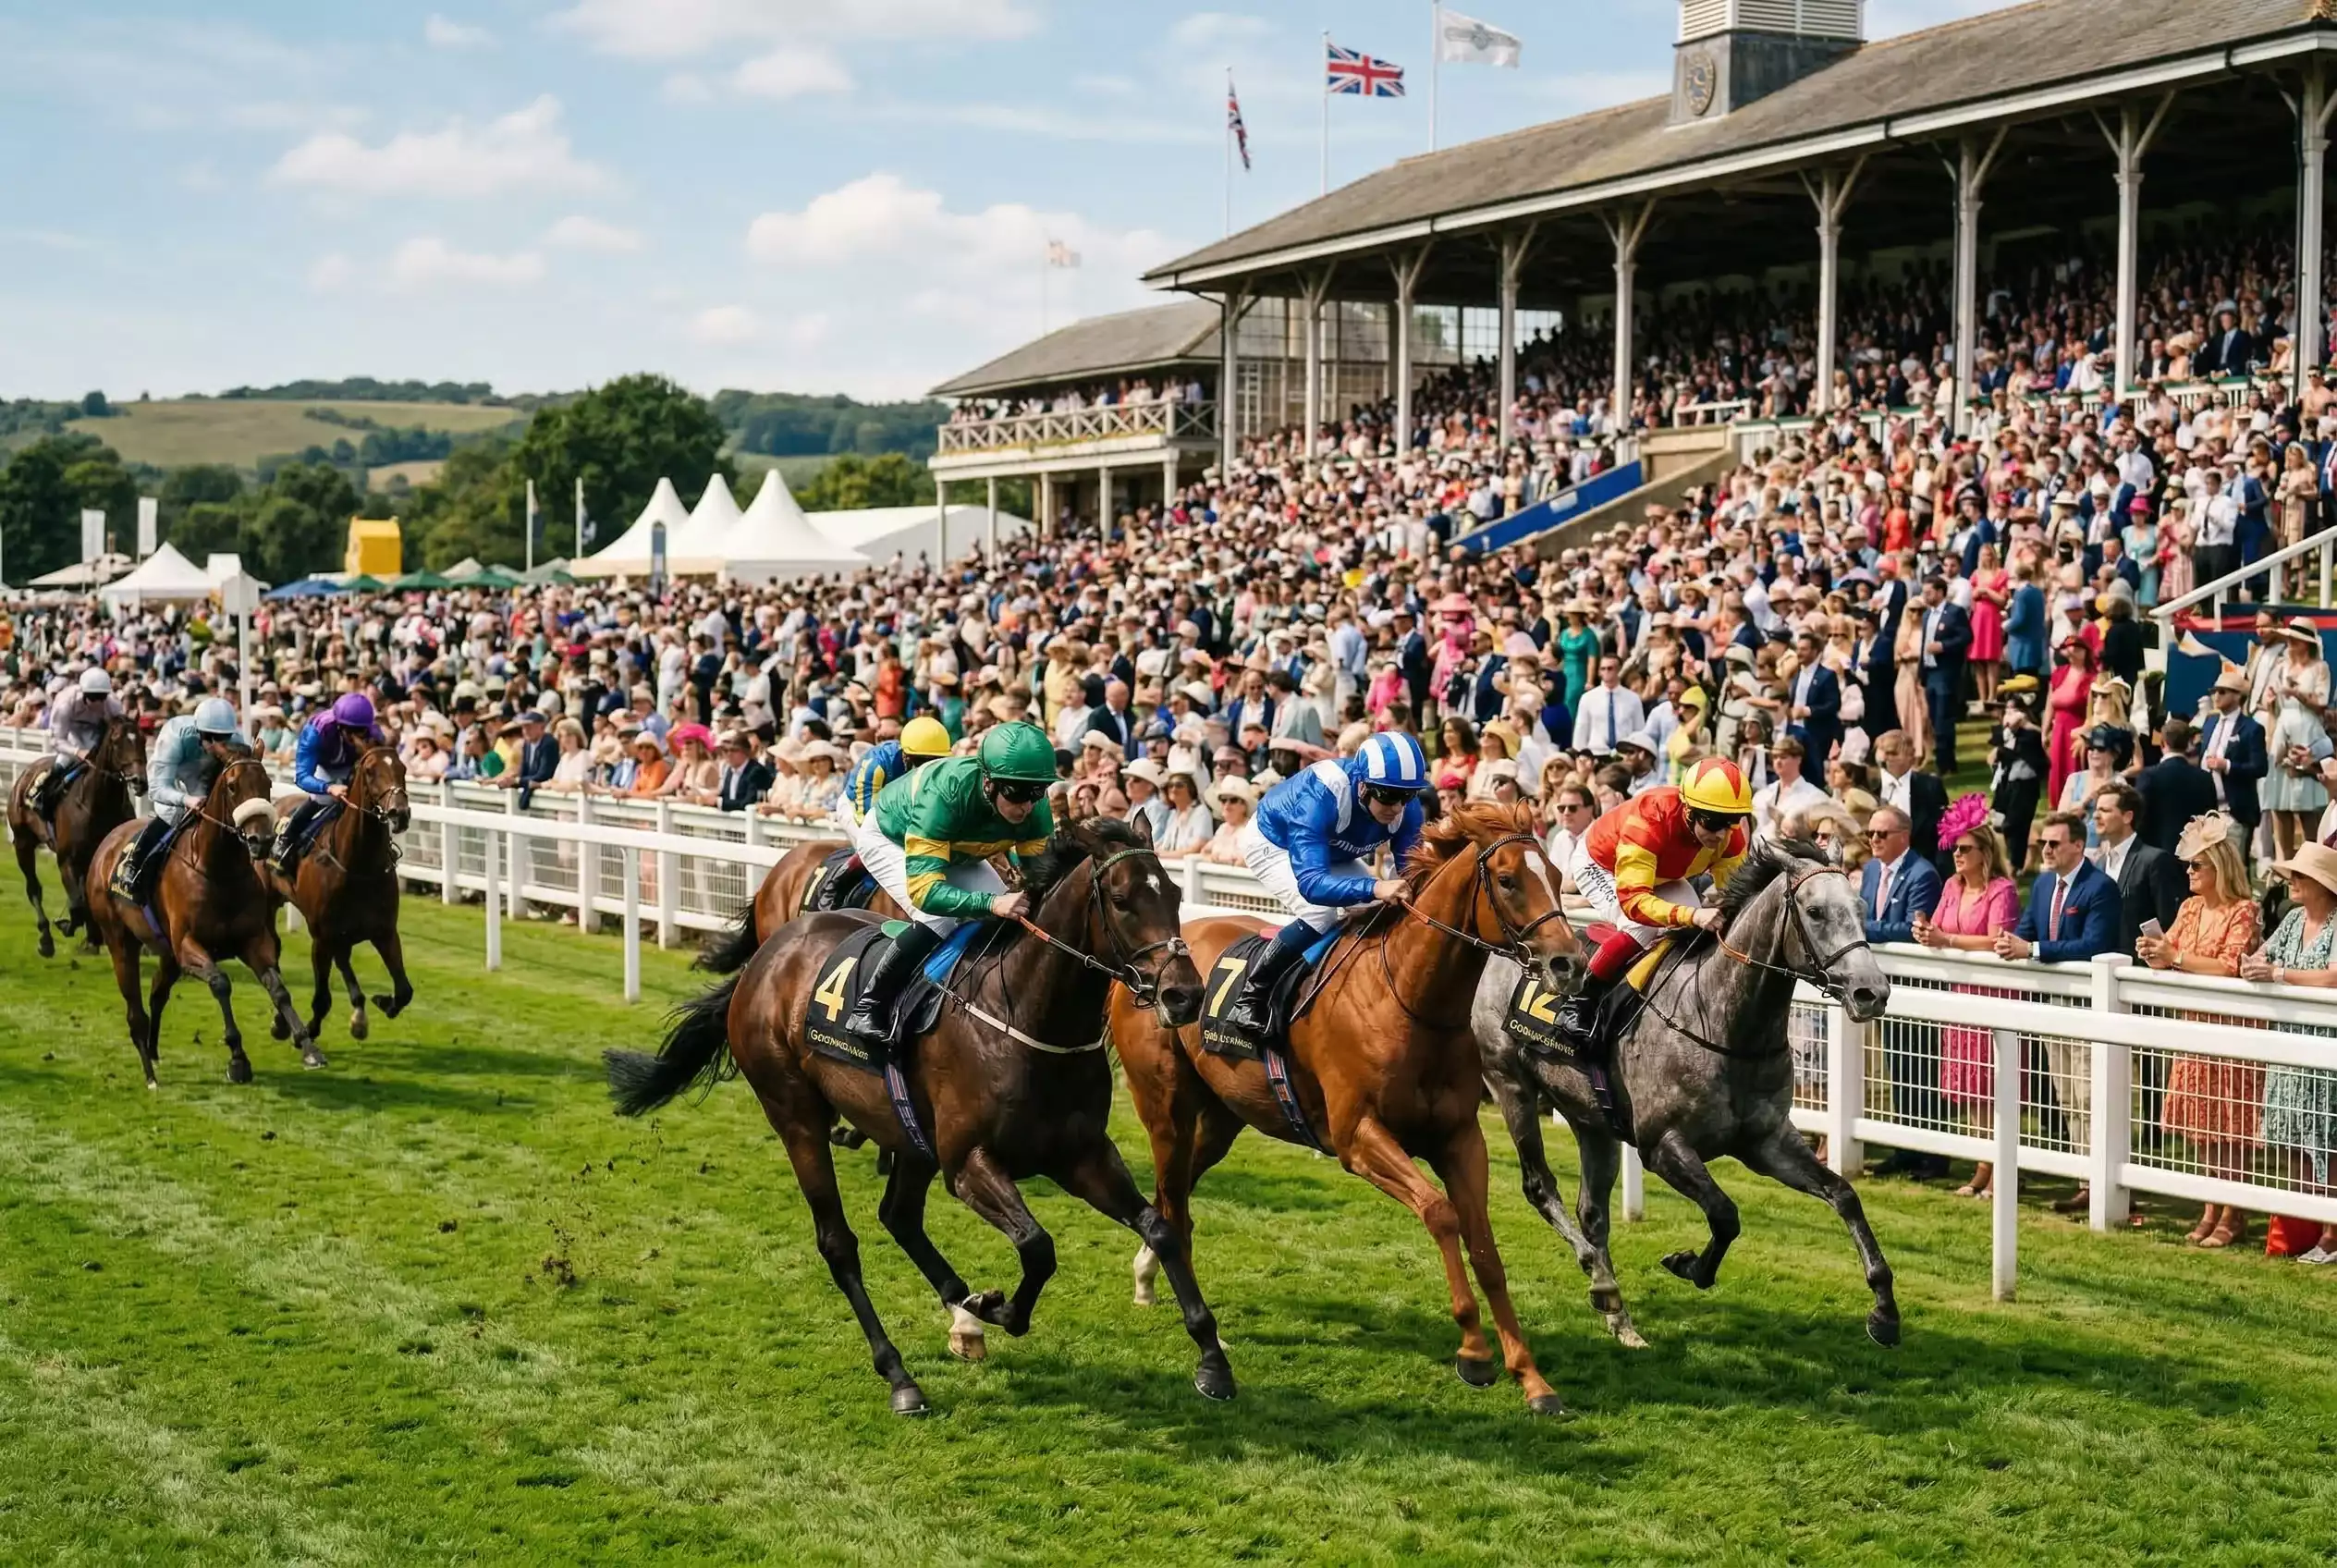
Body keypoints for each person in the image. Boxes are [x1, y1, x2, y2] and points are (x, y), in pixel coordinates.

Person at [844, 721, 1057, 1051]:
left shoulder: (1035, 808)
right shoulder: (945, 793)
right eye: (1016, 793)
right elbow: (926, 893)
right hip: (892, 836)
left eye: (1036, 792)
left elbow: (1040, 879)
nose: (1027, 806)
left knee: (1010, 912)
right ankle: (869, 1006)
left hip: (958, 845)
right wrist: (989, 903)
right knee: (940, 918)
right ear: (988, 782)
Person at [1223, 731, 1429, 1039]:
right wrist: (1375, 887)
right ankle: (1252, 995)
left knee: (1375, 909)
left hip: (1335, 848)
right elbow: (1312, 885)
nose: (1397, 807)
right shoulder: (1322, 792)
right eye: (1387, 794)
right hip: (1275, 842)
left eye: (1407, 795)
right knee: (1321, 914)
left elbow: (1412, 874)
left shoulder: (1406, 809)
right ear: (1362, 785)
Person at [1555, 755, 1754, 1053]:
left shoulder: (1729, 835)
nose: (1722, 834)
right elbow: (1635, 901)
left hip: (1663, 873)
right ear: (1688, 810)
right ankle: (1578, 1003)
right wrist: (1692, 914)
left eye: (1731, 823)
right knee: (1641, 926)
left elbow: (1737, 896)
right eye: (1712, 823)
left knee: (1694, 931)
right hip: (1602, 864)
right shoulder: (1652, 817)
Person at [2141, 815, 2261, 1249]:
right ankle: (2211, 1204)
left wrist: (2175, 956)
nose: (2188, 873)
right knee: (2202, 1120)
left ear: (2219, 869)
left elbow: (2232, 966)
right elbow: (2174, 949)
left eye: (2196, 866)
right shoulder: (2190, 908)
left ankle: (2234, 1210)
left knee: (2231, 1120)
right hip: (2194, 1025)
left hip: (2232, 1027)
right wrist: (2156, 952)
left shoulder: (2243, 910)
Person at [1995, 811, 2121, 1210]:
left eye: (2053, 843)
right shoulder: (2045, 882)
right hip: (2053, 1005)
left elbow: (2094, 944)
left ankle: (2102, 1180)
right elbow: (2029, 929)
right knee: (2068, 1095)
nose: (2045, 850)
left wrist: (2030, 950)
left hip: (2088, 1006)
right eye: (2043, 843)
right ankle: (2085, 1178)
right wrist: (2010, 942)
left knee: (2089, 1094)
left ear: (2078, 846)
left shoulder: (2100, 887)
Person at [1913, 795, 2018, 1198]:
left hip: (1994, 994)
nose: (1956, 854)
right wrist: (1925, 932)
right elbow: (1937, 925)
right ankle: (1980, 1166)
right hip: (1960, 996)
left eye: (1965, 848)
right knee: (1970, 1087)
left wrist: (1948, 939)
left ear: (1985, 852)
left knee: (1994, 1086)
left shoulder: (2002, 889)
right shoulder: (1952, 886)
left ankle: (1999, 1170)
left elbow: (1997, 939)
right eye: (1954, 847)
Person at [2245, 841, 2337, 1264]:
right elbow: (2266, 954)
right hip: (2287, 1044)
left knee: (2329, 1137)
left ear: (2321, 883)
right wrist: (2254, 965)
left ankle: (2332, 1235)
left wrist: (2279, 973)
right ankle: (2301, 1229)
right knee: (2294, 1135)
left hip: (2327, 1045)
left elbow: (2333, 977)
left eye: (2299, 876)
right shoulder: (2293, 917)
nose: (2291, 882)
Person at [119, 696, 251, 899]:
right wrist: (186, 800)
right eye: (212, 737)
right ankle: (134, 863)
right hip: (175, 773)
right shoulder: (175, 734)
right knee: (173, 814)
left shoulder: (237, 742)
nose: (218, 744)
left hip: (204, 776)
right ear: (199, 732)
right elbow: (157, 789)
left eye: (223, 737)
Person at [276, 692, 385, 871]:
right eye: (351, 731)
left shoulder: (373, 733)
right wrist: (327, 788)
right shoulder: (315, 731)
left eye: (362, 731)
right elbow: (302, 776)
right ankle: (287, 839)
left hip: (353, 766)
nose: (357, 737)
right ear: (340, 726)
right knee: (323, 799)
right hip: (325, 766)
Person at [2091, 779, 2184, 958]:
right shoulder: (2099, 863)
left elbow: (2170, 922)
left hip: (2140, 969)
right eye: (2096, 809)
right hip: (2100, 965)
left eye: (2105, 810)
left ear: (2127, 817)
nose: (2096, 815)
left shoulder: (2155, 860)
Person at [2263, 619, 2329, 865]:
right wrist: (2271, 699)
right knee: (2279, 803)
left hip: (2308, 731)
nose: (2289, 643)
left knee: (2306, 806)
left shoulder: (2320, 667)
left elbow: (2321, 704)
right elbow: (2272, 700)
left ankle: (2313, 863)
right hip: (2283, 729)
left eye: (2294, 639)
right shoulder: (2282, 667)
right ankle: (2284, 863)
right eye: (2288, 638)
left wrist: (2297, 693)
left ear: (2306, 643)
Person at [2196, 665, 2269, 868]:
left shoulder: (2252, 729)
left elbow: (2260, 767)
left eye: (2222, 691)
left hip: (2234, 811)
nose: (2216, 696)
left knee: (2234, 869)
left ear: (2237, 696)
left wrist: (2226, 765)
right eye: (2214, 691)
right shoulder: (2210, 723)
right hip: (2208, 811)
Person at [32, 667, 122, 823]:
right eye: (94, 698)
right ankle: (43, 797)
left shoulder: (113, 705)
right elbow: (57, 739)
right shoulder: (65, 703)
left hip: (97, 735)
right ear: (84, 694)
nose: (99, 703)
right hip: (71, 735)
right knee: (62, 764)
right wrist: (78, 751)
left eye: (102, 698)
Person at [2132, 717, 2219, 856]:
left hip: (2155, 856)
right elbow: (2211, 820)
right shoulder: (2204, 778)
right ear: (2188, 744)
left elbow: (2139, 819)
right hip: (2193, 856)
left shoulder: (2149, 776)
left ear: (2163, 743)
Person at [1751, 735, 1826, 840]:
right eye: (1775, 757)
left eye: (1783, 757)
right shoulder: (1763, 794)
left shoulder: (1814, 796)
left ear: (1798, 759)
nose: (1778, 761)